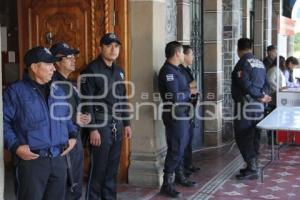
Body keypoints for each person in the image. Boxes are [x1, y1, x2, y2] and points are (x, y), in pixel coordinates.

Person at [3, 46, 78, 200]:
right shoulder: (15, 92)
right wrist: (15, 146)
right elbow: (3, 123)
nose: (53, 69)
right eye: (48, 64)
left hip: (58, 160)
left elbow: (66, 118)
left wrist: (73, 136)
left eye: (53, 64)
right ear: (34, 67)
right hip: (32, 162)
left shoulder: (58, 91)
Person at [80, 33, 132, 200]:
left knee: (112, 169)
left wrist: (127, 123)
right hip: (100, 124)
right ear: (100, 47)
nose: (113, 49)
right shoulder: (91, 69)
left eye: (116, 46)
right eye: (109, 45)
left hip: (116, 122)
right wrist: (93, 129)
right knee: (98, 169)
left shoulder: (119, 71)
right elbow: (85, 101)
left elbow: (123, 98)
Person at [50, 42, 91, 200]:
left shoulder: (69, 83)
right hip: (63, 143)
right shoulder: (52, 84)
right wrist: (74, 118)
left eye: (74, 56)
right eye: (69, 57)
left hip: (75, 139)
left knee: (75, 187)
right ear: (56, 61)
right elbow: (50, 113)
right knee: (67, 187)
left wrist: (82, 117)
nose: (74, 60)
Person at [158, 41, 197, 198]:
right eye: (182, 52)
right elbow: (174, 97)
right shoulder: (168, 72)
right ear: (177, 54)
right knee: (176, 148)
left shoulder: (177, 70)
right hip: (175, 114)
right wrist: (189, 91)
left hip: (183, 113)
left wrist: (188, 91)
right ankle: (166, 183)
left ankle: (179, 175)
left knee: (182, 146)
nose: (184, 55)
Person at [231, 38, 271, 180]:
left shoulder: (242, 63)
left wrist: (259, 95)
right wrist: (263, 95)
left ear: (238, 49)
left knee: (243, 135)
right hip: (259, 106)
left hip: (246, 106)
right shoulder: (260, 63)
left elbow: (244, 84)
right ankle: (251, 165)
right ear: (251, 48)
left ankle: (252, 167)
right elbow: (267, 84)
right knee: (254, 134)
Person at [179, 45, 200, 176]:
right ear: (184, 55)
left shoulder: (187, 70)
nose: (193, 57)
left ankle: (188, 164)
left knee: (189, 138)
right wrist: (192, 89)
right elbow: (188, 88)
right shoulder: (180, 71)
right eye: (191, 54)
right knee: (183, 140)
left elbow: (193, 87)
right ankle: (182, 169)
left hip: (190, 108)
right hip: (183, 109)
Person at [266, 56, 286, 145]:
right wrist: (279, 88)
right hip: (274, 97)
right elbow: (270, 80)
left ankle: (276, 138)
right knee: (273, 118)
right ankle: (272, 138)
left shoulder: (277, 69)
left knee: (277, 117)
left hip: (277, 96)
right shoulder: (274, 69)